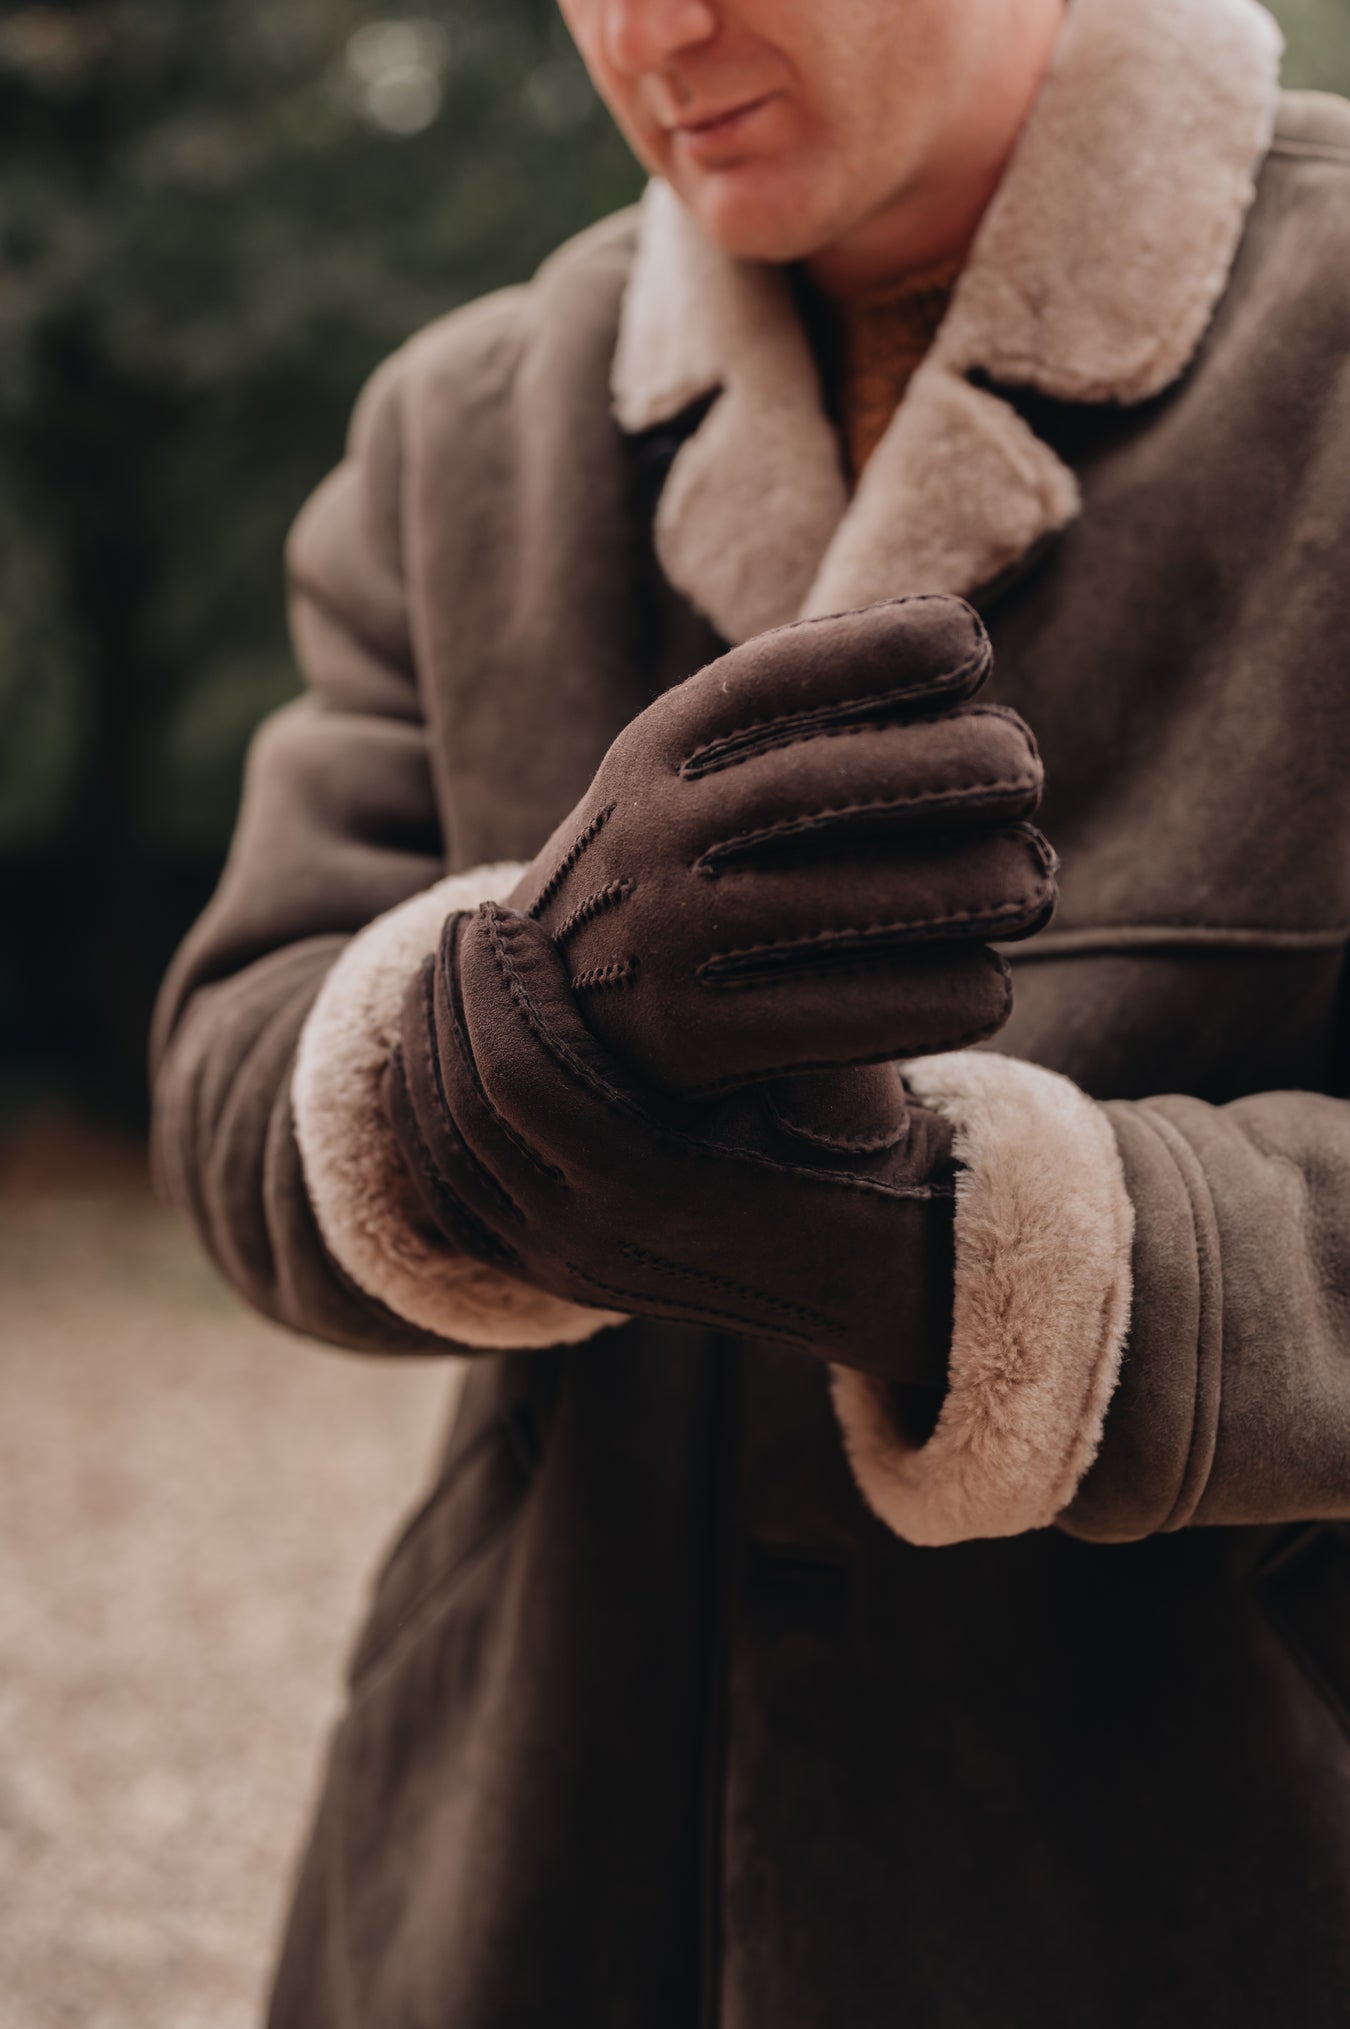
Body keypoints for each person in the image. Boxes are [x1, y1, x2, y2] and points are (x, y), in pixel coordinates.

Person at [150, 0, 1350, 2019]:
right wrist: (485, 1044)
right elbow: (226, 1081)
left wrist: (992, 1259)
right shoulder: (458, 426)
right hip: (524, 1879)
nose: (649, 29)